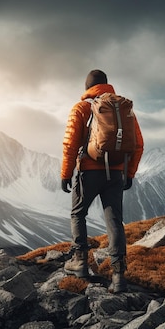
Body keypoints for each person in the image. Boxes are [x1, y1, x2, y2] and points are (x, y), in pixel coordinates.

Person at [60, 69, 144, 293]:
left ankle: (80, 262)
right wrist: (129, 173)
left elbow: (70, 144)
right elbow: (138, 144)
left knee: (78, 213)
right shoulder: (124, 111)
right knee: (115, 221)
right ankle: (118, 276)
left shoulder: (82, 108)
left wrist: (65, 174)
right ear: (107, 85)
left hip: (89, 171)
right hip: (116, 173)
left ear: (87, 87)